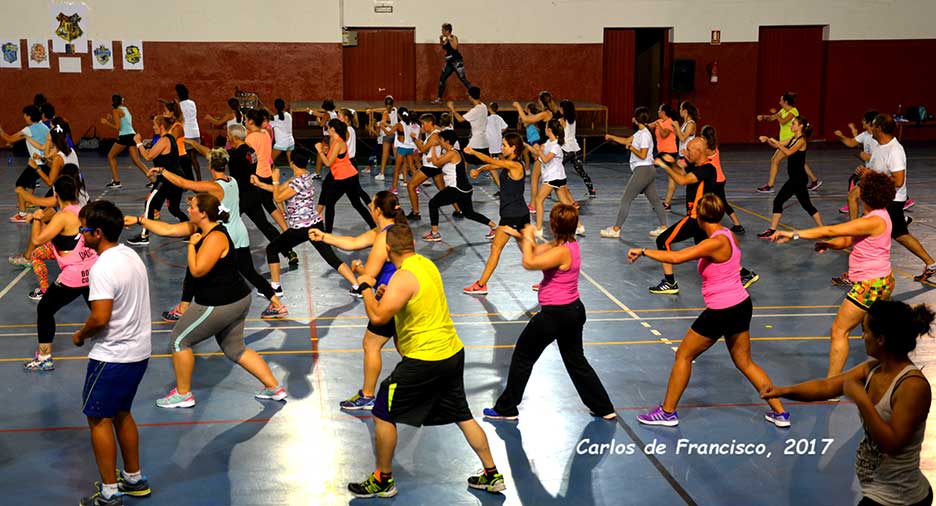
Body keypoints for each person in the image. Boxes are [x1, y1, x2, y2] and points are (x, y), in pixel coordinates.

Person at [347, 224, 505, 498]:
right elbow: (412, 300)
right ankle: (492, 475)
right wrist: (386, 292)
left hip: (426, 359)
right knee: (462, 414)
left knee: (382, 410)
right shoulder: (425, 266)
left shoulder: (403, 277)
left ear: (387, 249)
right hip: (452, 352)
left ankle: (383, 479)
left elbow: (377, 318)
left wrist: (365, 285)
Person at [629, 194, 790, 428]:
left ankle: (667, 412)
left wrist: (643, 251)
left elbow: (676, 256)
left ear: (699, 216)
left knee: (683, 355)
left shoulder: (714, 242)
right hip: (741, 305)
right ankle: (780, 413)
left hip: (722, 310)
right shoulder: (728, 234)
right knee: (745, 362)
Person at [761, 300, 933, 506]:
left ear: (881, 339)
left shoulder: (912, 386)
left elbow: (892, 444)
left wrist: (861, 400)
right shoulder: (872, 369)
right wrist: (782, 391)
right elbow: (826, 387)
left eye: (865, 331)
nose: (862, 336)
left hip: (899, 500)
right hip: (879, 490)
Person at [483, 205, 616, 420]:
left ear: (554, 226)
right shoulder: (566, 244)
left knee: (523, 356)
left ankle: (507, 408)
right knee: (576, 361)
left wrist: (527, 236)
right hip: (572, 311)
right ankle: (603, 407)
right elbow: (535, 251)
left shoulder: (562, 251)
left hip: (555, 316)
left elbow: (529, 262)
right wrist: (520, 236)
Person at [154, 193, 287, 408]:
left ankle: (183, 394)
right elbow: (168, 230)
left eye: (193, 207)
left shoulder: (215, 237)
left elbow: (197, 270)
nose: (188, 210)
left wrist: (190, 246)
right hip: (238, 299)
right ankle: (274, 388)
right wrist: (140, 221)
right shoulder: (203, 229)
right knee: (236, 349)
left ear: (203, 213)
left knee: (179, 341)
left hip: (220, 303)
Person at [129, 148, 288, 320]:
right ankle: (277, 304)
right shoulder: (232, 181)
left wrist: (162, 171)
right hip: (239, 232)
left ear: (211, 166)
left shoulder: (214, 186)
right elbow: (219, 203)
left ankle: (183, 308)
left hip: (223, 235)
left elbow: (184, 183)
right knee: (249, 272)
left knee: (193, 268)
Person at [771, 171, 896, 377]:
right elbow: (847, 240)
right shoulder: (877, 216)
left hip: (870, 284)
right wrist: (829, 245)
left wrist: (794, 234)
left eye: (859, 188)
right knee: (873, 332)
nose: (856, 190)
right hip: (881, 281)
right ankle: (887, 371)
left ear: (866, 194)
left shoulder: (874, 220)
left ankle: (832, 383)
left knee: (839, 330)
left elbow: (832, 230)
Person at [73, 200, 152, 506]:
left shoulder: (102, 267)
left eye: (85, 231)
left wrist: (81, 335)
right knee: (122, 413)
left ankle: (109, 493)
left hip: (112, 356)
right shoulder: (130, 255)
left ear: (98, 233)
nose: (81, 235)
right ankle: (134, 479)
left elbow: (100, 317)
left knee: (98, 418)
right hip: (139, 352)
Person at [309, 191, 407, 409]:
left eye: (372, 205)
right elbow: (354, 242)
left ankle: (368, 395)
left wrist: (361, 271)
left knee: (371, 343)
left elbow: (368, 277)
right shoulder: (392, 230)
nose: (370, 208)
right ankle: (425, 386)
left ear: (378, 210)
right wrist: (324, 236)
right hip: (402, 294)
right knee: (405, 346)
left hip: (388, 296)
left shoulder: (383, 238)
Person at [648, 138, 758, 294]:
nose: (686, 152)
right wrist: (672, 163)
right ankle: (745, 274)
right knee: (706, 251)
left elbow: (682, 180)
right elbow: (681, 172)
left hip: (695, 218)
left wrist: (664, 165)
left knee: (663, 240)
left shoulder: (707, 169)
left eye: (690, 150)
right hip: (702, 221)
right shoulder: (697, 166)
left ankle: (670, 282)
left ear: (699, 152)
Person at [251, 150, 360, 296]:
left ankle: (275, 287)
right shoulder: (304, 176)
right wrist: (260, 184)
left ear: (291, 163)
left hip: (300, 229)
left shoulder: (297, 182)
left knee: (272, 248)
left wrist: (275, 179)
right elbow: (278, 190)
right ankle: (356, 286)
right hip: (315, 224)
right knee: (331, 257)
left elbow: (278, 198)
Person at [23, 176, 97, 371]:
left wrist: (37, 218)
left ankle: (45, 357)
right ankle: (123, 344)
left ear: (56, 195)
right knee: (100, 313)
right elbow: (60, 236)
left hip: (74, 275)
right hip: (93, 270)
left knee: (45, 309)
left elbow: (38, 240)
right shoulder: (82, 211)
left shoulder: (63, 216)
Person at [861, 114, 936, 284]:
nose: (870, 129)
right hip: (881, 198)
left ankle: (859, 275)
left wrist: (871, 175)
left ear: (879, 128)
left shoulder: (894, 151)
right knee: (900, 235)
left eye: (873, 126)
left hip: (891, 200)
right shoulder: (880, 146)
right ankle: (932, 264)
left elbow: (899, 180)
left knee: (867, 232)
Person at [463, 134, 529, 295]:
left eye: (505, 145)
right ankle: (551, 279)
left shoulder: (516, 166)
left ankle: (481, 284)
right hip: (519, 214)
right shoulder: (508, 165)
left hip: (512, 216)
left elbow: (492, 161)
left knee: (495, 248)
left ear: (513, 148)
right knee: (529, 252)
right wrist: (479, 170)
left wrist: (473, 152)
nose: (502, 147)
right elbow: (491, 166)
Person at [600, 106, 668, 239]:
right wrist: (611, 137)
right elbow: (626, 140)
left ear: (637, 119)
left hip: (643, 170)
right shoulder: (640, 133)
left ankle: (616, 229)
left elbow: (642, 155)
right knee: (654, 200)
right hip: (648, 170)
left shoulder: (644, 135)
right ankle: (664, 227)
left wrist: (631, 148)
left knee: (626, 199)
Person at [422, 129, 497, 242]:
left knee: (433, 203)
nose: (439, 142)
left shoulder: (452, 153)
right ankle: (494, 227)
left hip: (456, 189)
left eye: (441, 140)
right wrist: (432, 157)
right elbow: (438, 161)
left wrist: (432, 147)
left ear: (447, 141)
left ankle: (435, 233)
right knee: (469, 213)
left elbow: (437, 163)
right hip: (464, 189)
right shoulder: (452, 152)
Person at [756, 116, 824, 237]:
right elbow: (778, 145)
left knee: (779, 201)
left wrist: (776, 142)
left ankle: (772, 230)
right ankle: (823, 230)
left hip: (798, 179)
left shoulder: (801, 141)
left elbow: (788, 152)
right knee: (806, 205)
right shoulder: (793, 138)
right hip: (796, 178)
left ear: (800, 126)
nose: (791, 125)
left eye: (793, 124)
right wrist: (767, 139)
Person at [126, 116, 187, 246]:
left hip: (167, 179)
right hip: (175, 177)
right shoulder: (166, 139)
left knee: (149, 203)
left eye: (154, 125)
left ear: (161, 126)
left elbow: (148, 156)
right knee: (174, 208)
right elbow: (152, 152)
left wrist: (138, 143)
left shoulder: (165, 139)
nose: (153, 127)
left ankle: (144, 236)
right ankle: (192, 229)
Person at [315, 118, 376, 232]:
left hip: (344, 177)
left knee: (330, 203)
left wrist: (319, 151)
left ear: (332, 129)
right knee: (356, 203)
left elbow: (328, 163)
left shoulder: (338, 142)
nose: (327, 130)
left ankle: (328, 233)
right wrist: (325, 151)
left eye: (328, 128)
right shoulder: (334, 140)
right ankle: (374, 227)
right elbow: (331, 158)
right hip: (348, 176)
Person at [755, 92, 821, 192]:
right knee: (800, 162)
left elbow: (783, 121)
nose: (779, 102)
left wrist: (776, 115)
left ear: (785, 101)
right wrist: (764, 117)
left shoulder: (793, 112)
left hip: (792, 141)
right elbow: (772, 118)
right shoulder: (782, 110)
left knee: (775, 161)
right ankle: (814, 180)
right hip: (785, 141)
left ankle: (770, 186)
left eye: (781, 100)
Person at [530, 119, 584, 240]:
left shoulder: (556, 146)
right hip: (558, 177)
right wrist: (529, 146)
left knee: (539, 200)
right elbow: (538, 153)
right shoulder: (548, 142)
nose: (544, 129)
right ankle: (579, 226)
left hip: (553, 178)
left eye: (545, 128)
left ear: (549, 130)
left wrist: (539, 151)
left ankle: (538, 229)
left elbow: (545, 159)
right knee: (566, 203)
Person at [1, 104, 50, 223]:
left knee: (20, 184)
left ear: (29, 116)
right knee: (53, 185)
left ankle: (22, 214)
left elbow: (10, 139)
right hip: (47, 162)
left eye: (25, 115)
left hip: (37, 163)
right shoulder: (44, 127)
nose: (24, 117)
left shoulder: (28, 130)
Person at [834, 110, 879, 217]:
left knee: (874, 200)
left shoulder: (878, 137)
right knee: (853, 194)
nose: (861, 122)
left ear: (870, 123)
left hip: (878, 174)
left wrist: (871, 157)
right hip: (868, 173)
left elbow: (885, 155)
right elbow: (851, 142)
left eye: (864, 120)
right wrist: (841, 137)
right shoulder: (865, 135)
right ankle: (856, 224)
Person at [700, 125, 745, 233]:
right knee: (723, 203)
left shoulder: (706, 150)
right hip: (720, 179)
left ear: (704, 137)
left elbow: (699, 161)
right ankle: (737, 225)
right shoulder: (714, 146)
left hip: (714, 180)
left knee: (705, 201)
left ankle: (706, 224)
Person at [100, 94, 151, 187]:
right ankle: (153, 180)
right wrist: (112, 119)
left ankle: (116, 181)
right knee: (137, 160)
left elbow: (118, 127)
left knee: (111, 156)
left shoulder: (115, 110)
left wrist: (107, 122)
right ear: (121, 101)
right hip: (132, 135)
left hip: (124, 137)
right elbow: (124, 123)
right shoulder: (125, 109)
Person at [406, 113, 445, 220]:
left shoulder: (434, 136)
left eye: (423, 124)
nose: (422, 126)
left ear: (430, 123)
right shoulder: (434, 133)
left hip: (429, 167)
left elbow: (422, 149)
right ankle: (459, 210)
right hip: (435, 166)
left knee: (411, 186)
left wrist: (414, 139)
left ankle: (415, 212)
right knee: (444, 191)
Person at [558, 99, 596, 198]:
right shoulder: (573, 120)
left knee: (556, 168)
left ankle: (549, 190)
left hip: (565, 149)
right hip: (574, 148)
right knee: (580, 170)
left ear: (563, 109)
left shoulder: (561, 121)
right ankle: (591, 189)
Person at [432, 23, 473, 104]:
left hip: (457, 61)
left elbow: (455, 47)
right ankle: (439, 98)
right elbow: (444, 47)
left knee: (463, 79)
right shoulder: (446, 39)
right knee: (442, 79)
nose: (442, 31)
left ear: (447, 31)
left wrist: (449, 39)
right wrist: (441, 40)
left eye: (443, 30)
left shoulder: (453, 37)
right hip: (449, 62)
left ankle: (475, 96)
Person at [649, 104, 679, 211]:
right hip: (664, 152)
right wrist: (639, 122)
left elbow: (664, 134)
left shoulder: (669, 122)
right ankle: (667, 204)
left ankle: (643, 186)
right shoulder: (659, 121)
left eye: (659, 110)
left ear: (663, 112)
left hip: (669, 152)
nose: (658, 112)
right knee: (672, 178)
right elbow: (648, 127)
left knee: (649, 166)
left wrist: (658, 125)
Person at [176, 84, 202, 180]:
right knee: (194, 158)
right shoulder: (192, 103)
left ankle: (187, 180)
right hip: (195, 131)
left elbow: (178, 117)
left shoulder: (179, 105)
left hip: (186, 133)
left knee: (184, 159)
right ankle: (199, 178)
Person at [373, 95, 397, 181]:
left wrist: (383, 124)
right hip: (395, 134)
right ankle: (400, 173)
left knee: (385, 154)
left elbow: (383, 123)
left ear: (385, 104)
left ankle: (382, 174)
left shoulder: (385, 113)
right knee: (396, 155)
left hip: (387, 135)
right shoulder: (396, 110)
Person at [270, 98, 295, 166]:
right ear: (284, 106)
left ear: (275, 107)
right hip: (291, 142)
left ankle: (272, 174)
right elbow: (278, 118)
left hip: (281, 143)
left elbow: (269, 123)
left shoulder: (275, 119)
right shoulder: (289, 115)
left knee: (269, 161)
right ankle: (298, 175)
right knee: (291, 163)